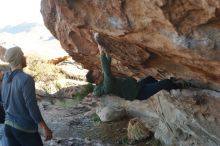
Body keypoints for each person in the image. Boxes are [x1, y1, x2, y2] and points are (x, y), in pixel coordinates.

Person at [86, 34, 190, 101]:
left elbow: (107, 64)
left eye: (97, 71)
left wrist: (106, 50)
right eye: (97, 73)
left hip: (138, 86)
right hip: (140, 93)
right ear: (96, 81)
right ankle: (180, 87)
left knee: (150, 78)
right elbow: (107, 70)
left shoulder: (103, 81)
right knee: (165, 82)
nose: (99, 71)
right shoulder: (107, 86)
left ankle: (168, 87)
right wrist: (101, 54)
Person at [0, 46, 52, 146]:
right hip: (25, 129)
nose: (25, 57)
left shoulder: (6, 78)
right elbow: (31, 106)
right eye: (23, 55)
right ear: (18, 58)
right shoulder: (26, 79)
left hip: (9, 128)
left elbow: (4, 101)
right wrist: (45, 127)